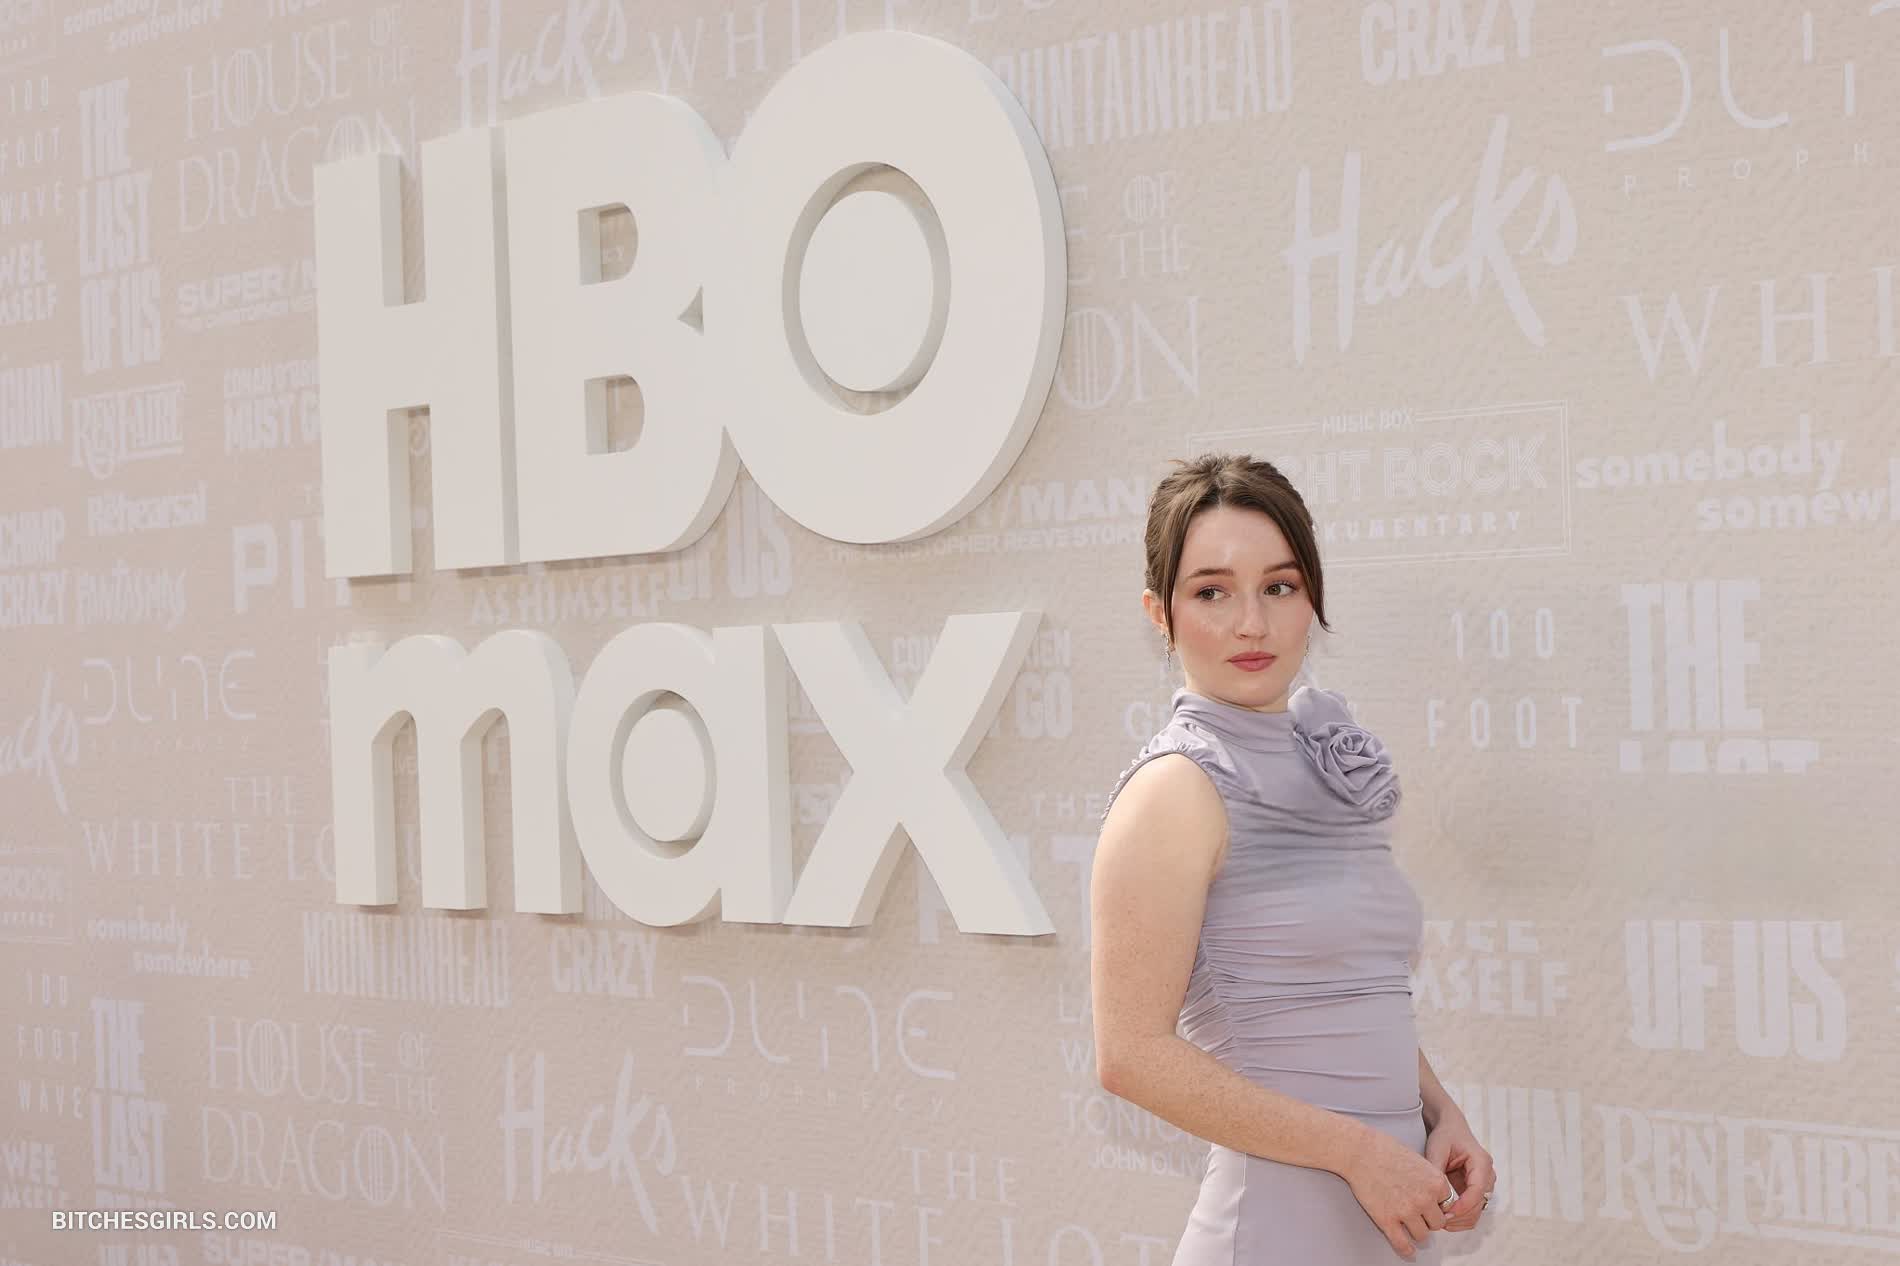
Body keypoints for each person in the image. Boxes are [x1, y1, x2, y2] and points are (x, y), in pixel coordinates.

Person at [1091, 454, 1496, 1263]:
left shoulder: (1319, 762)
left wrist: (1436, 1111)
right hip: (1275, 1228)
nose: (1253, 623)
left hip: (1383, 1214)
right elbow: (1130, 1056)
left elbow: (1343, 994)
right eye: (1212, 592)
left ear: (1312, 596)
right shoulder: (1175, 789)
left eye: (1279, 586)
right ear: (1159, 613)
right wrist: (1358, 1152)